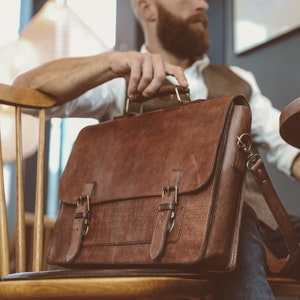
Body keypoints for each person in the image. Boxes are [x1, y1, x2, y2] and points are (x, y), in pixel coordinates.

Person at [12, 0, 300, 299]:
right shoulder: (119, 79)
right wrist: (112, 64)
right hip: (165, 230)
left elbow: (287, 151)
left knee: (245, 220)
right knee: (234, 221)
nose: (202, 4)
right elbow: (27, 90)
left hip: (268, 228)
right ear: (146, 7)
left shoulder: (240, 80)